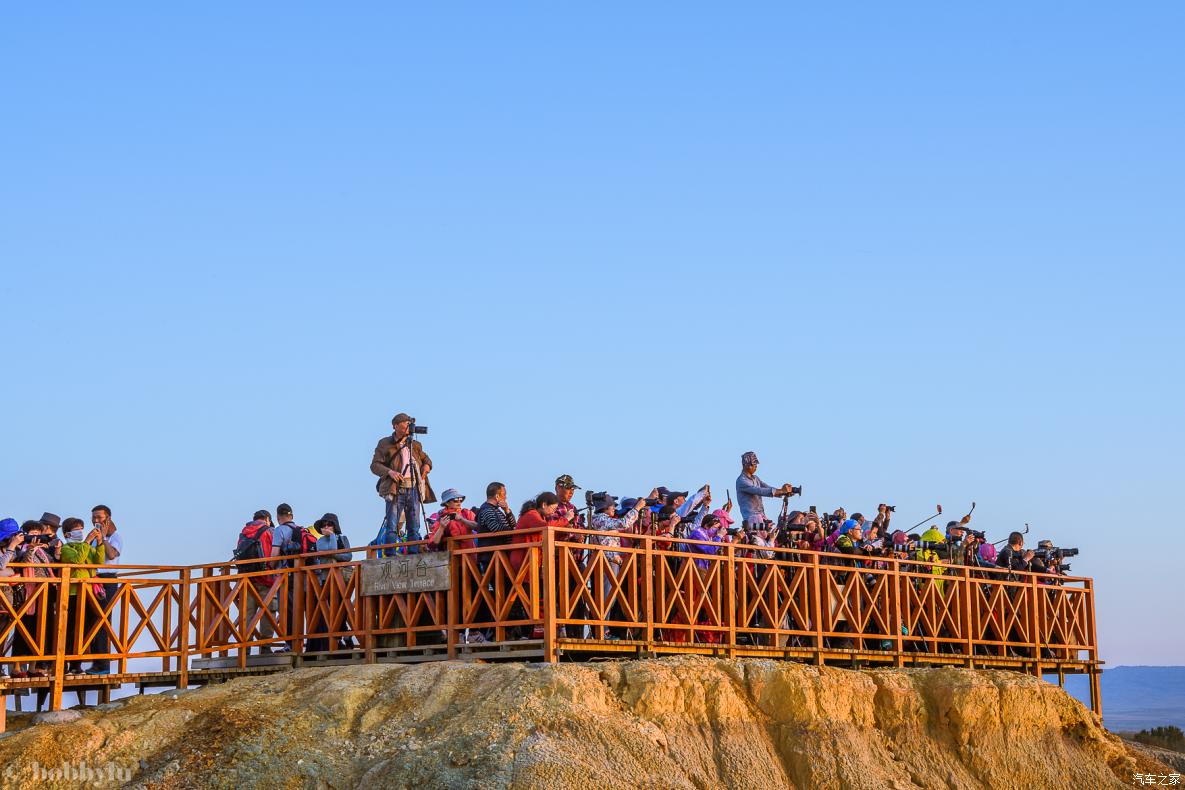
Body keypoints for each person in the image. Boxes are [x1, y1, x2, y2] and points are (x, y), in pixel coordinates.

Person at [371, 412, 436, 553]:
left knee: (414, 525)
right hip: (396, 488)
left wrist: (427, 466)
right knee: (392, 524)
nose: (409, 426)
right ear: (395, 426)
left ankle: (413, 552)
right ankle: (390, 553)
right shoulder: (385, 443)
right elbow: (375, 465)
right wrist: (390, 472)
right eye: (406, 423)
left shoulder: (415, 444)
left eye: (409, 423)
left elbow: (427, 459)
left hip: (413, 488)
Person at [58, 518, 105, 674]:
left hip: (89, 593)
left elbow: (99, 562)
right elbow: (77, 560)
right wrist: (88, 541)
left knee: (86, 629)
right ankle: (65, 663)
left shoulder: (87, 547)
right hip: (72, 594)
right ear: (67, 533)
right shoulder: (66, 549)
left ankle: (76, 663)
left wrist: (99, 544)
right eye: (77, 529)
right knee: (71, 629)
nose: (81, 531)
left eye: (82, 528)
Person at [87, 505, 123, 674]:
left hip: (107, 580)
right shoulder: (93, 536)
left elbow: (112, 555)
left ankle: (103, 664)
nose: (96, 521)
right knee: (92, 619)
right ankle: (95, 661)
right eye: (94, 517)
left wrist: (104, 539)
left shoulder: (116, 537)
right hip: (94, 578)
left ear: (108, 518)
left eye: (99, 517)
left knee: (102, 620)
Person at [735, 452, 796, 529]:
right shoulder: (741, 481)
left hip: (761, 516)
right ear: (744, 465)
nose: (755, 466)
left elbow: (766, 488)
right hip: (751, 518)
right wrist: (781, 491)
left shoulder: (755, 478)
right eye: (752, 464)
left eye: (756, 464)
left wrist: (784, 492)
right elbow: (759, 491)